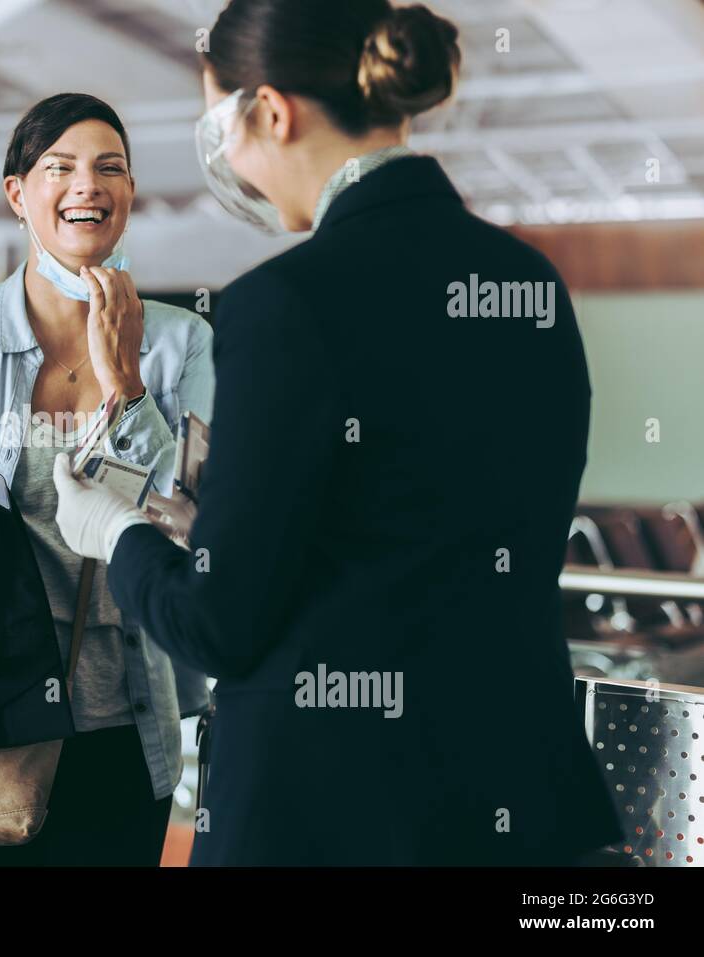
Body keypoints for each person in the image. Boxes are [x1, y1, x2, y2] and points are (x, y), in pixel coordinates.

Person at [52, 0, 623, 865]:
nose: (227, 156)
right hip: (520, 800)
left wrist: (118, 531)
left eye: (222, 123)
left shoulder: (286, 304)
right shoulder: (528, 281)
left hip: (330, 812)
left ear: (273, 112)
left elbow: (220, 627)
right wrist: (221, 530)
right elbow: (431, 531)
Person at [0, 93, 215, 866]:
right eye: (58, 167)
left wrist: (125, 382)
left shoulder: (181, 344)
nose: (86, 186)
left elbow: (196, 522)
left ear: (129, 195)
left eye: (110, 168)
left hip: (127, 722)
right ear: (18, 194)